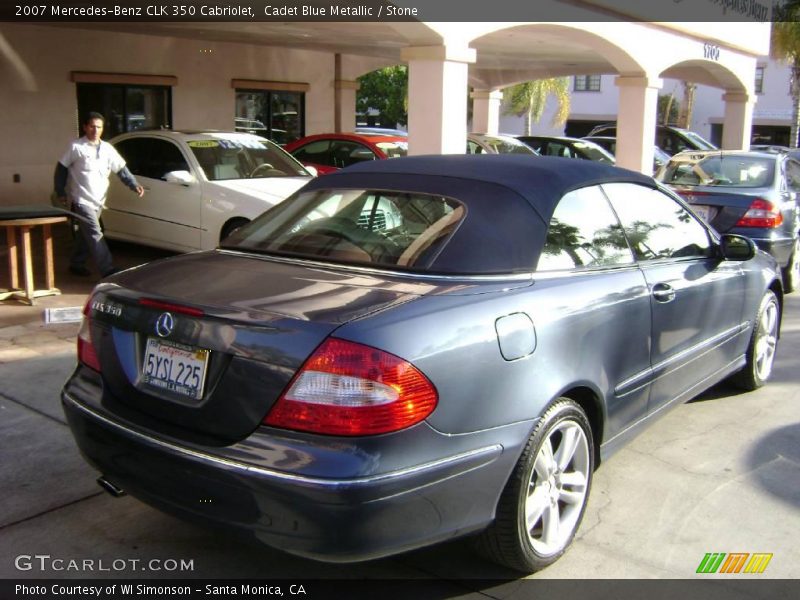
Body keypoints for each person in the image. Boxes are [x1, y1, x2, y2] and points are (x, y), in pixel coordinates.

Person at [54, 112, 144, 277]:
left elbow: (121, 169)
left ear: (103, 129)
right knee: (95, 232)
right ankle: (107, 269)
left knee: (85, 233)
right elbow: (61, 168)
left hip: (99, 201)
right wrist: (60, 191)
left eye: (99, 127)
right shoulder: (76, 147)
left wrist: (133, 184)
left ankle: (76, 262)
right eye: (92, 126)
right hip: (81, 200)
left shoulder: (108, 149)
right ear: (85, 127)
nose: (95, 130)